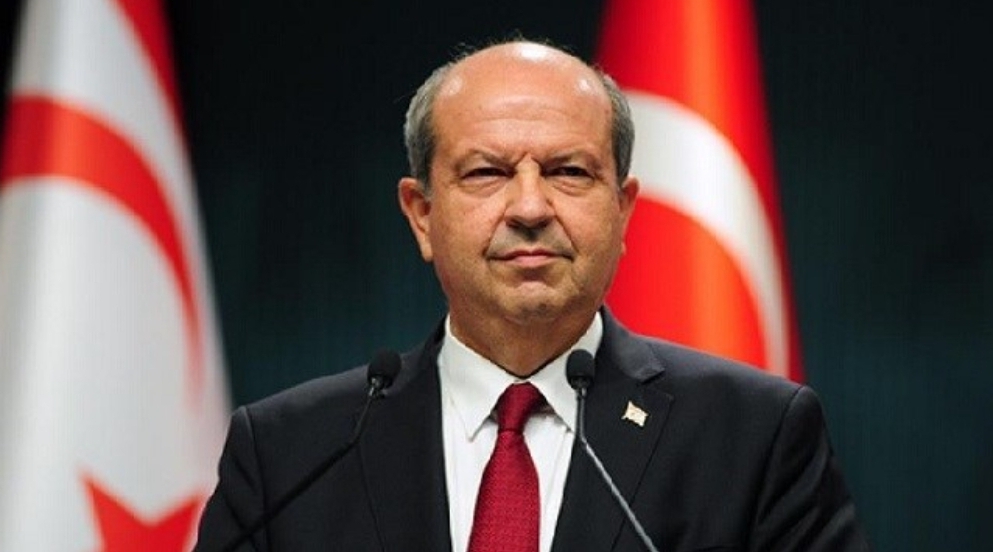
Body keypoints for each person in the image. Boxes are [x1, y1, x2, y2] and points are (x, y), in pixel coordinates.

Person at [194, 38, 870, 551]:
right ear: (421, 215)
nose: (529, 208)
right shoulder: (290, 453)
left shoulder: (753, 438)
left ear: (622, 212)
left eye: (567, 171)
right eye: (486, 172)